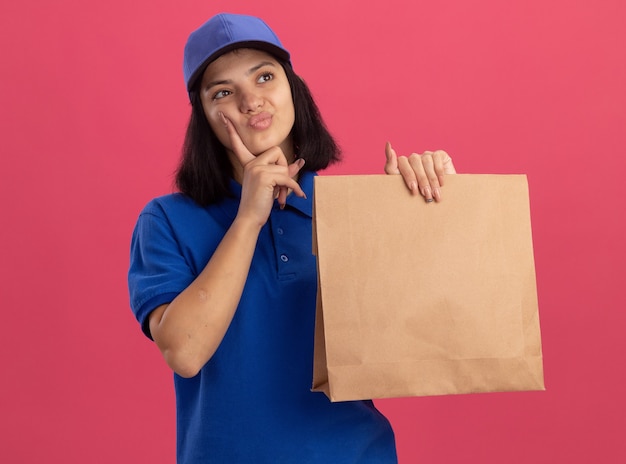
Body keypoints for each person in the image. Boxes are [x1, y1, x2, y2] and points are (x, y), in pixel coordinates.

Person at [128, 12, 455, 464]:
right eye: (222, 92)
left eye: (265, 77)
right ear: (203, 117)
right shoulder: (165, 220)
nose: (251, 100)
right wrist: (248, 219)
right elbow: (184, 352)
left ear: (293, 89)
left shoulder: (347, 209)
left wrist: (413, 219)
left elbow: (415, 348)